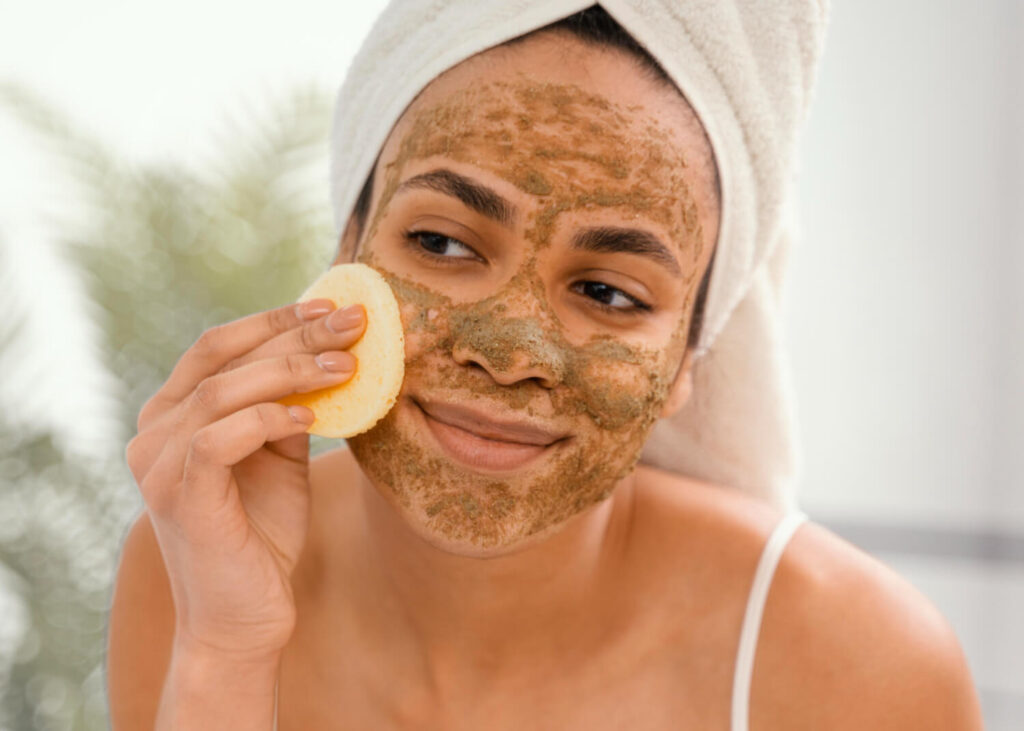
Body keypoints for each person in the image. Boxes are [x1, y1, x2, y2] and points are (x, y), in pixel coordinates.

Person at [106, 5, 983, 730]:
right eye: (443, 240)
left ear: (688, 356)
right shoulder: (193, 573)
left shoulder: (860, 668)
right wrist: (226, 653)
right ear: (348, 244)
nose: (511, 350)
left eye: (608, 292)